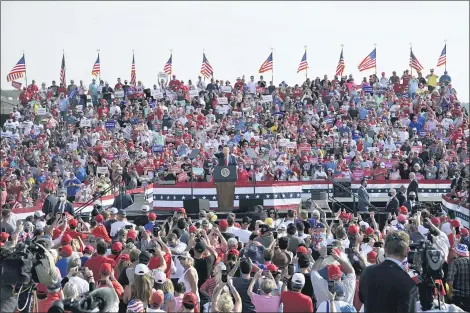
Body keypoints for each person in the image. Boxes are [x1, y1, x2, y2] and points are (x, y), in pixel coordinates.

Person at [359, 231, 418, 313]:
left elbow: (362, 298)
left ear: (385, 248)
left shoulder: (367, 272)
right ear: (407, 250)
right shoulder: (407, 282)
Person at [448, 244, 470, 312]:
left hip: (459, 296)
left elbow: (450, 279)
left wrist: (451, 292)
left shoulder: (455, 262)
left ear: (457, 253)